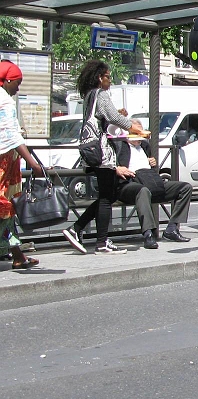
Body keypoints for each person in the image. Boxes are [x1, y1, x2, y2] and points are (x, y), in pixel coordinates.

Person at [62, 60, 149, 255]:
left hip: (90, 150)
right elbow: (113, 118)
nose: (110, 80)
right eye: (108, 77)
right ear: (100, 78)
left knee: (106, 196)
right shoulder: (101, 93)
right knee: (106, 197)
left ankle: (77, 229)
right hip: (101, 153)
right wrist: (136, 129)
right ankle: (100, 241)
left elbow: (104, 116)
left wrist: (117, 114)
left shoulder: (89, 96)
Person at [109, 127, 192, 248]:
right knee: (142, 191)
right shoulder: (120, 145)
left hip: (149, 181)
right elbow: (106, 162)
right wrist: (117, 168)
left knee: (185, 187)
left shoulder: (144, 145)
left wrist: (152, 163)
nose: (139, 138)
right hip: (128, 184)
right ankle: (148, 234)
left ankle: (172, 228)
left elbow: (150, 166)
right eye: (136, 134)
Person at [0, 60, 45, 269]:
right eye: (17, 83)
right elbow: (11, 136)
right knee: (5, 208)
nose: (18, 88)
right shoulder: (5, 101)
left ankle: (16, 253)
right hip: (3, 163)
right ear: (7, 80)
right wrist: (32, 163)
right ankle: (17, 254)